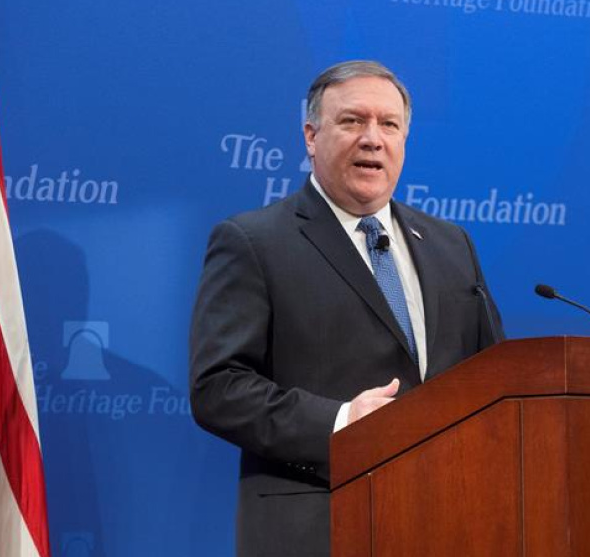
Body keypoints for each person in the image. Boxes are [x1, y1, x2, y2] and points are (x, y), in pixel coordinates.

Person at [189, 60, 504, 557]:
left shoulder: (451, 245)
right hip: (318, 525)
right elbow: (219, 388)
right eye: (353, 121)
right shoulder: (254, 242)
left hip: (446, 521)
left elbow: (494, 379)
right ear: (311, 136)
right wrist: (339, 421)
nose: (372, 139)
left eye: (389, 124)